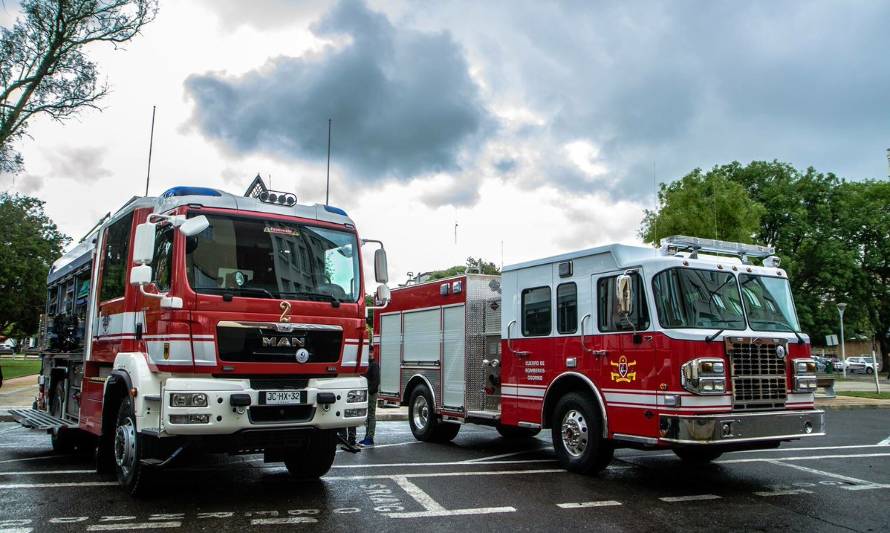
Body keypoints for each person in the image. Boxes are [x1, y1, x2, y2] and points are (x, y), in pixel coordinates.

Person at [359, 349, 380, 447]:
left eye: (371, 352)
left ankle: (370, 438)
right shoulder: (368, 364)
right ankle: (366, 437)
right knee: (368, 416)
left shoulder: (374, 365)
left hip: (371, 393)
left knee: (371, 415)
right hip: (368, 393)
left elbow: (376, 381)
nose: (370, 354)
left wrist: (370, 392)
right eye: (369, 352)